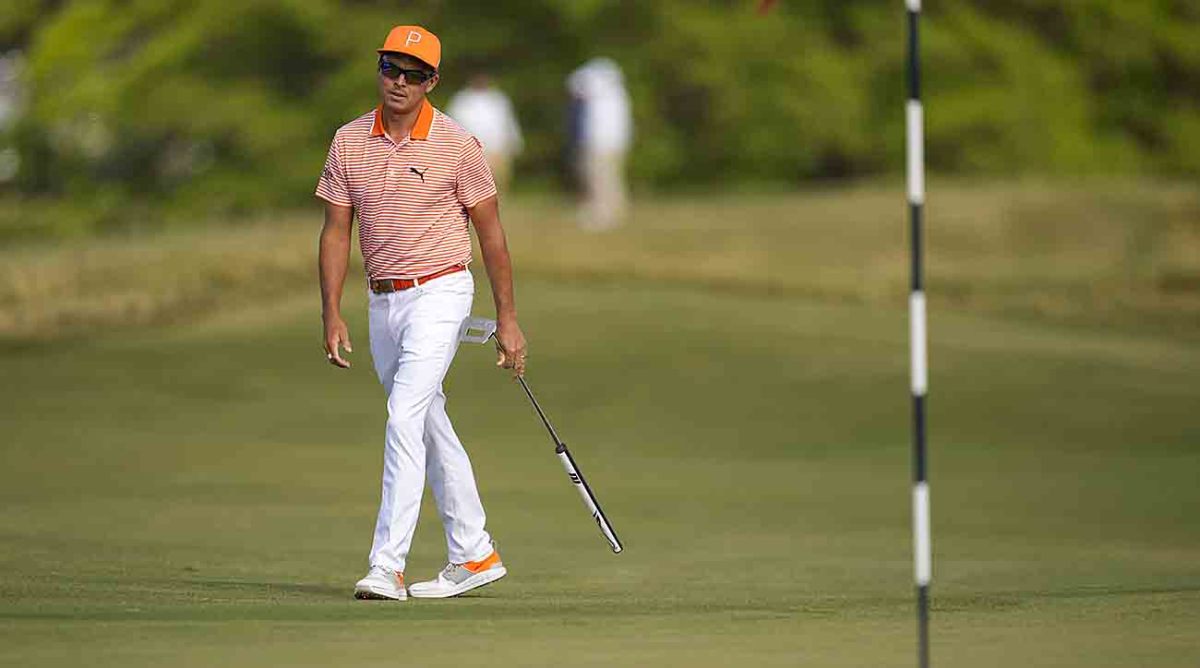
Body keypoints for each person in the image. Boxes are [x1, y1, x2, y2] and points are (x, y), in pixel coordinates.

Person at [315, 25, 527, 602]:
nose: (399, 82)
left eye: (413, 74)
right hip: (381, 299)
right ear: (379, 69)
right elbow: (336, 231)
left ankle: (387, 566)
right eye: (390, 68)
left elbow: (491, 235)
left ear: (432, 81)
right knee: (427, 421)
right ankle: (474, 552)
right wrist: (331, 311)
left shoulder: (458, 143)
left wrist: (507, 319)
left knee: (404, 414)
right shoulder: (348, 140)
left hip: (441, 291)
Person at [566, 57, 633, 231]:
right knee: (609, 178)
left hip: (600, 143)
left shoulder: (602, 96)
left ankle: (603, 215)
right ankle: (611, 212)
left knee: (601, 179)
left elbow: (576, 84)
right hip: (612, 143)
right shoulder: (617, 95)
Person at [446, 73, 523, 193]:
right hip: (470, 149)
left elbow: (508, 122)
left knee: (497, 183)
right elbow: (452, 124)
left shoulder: (498, 99)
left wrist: (514, 143)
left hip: (496, 148)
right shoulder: (461, 100)